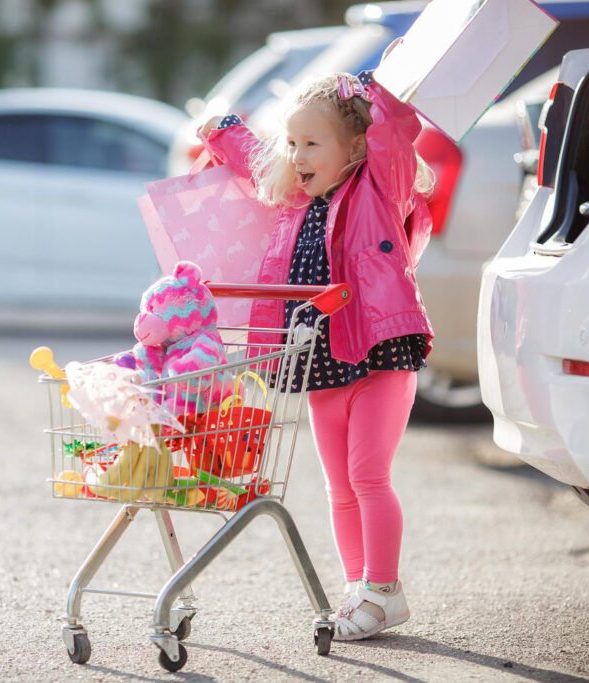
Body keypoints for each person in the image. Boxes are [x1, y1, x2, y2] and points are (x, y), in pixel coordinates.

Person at [199, 64, 434, 641]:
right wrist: (224, 130)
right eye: (293, 143)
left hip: (379, 352)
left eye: (312, 144)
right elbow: (256, 160)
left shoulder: (379, 187)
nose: (297, 155)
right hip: (322, 360)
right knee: (339, 485)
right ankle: (359, 588)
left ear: (354, 147)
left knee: (368, 476)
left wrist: (380, 93)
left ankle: (384, 591)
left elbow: (395, 133)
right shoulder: (296, 200)